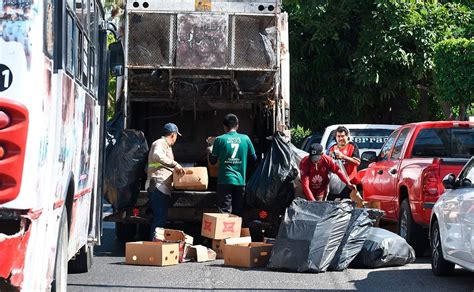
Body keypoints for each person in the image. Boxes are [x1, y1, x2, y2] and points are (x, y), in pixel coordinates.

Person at [208, 114, 257, 216]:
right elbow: (254, 159)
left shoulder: (219, 140)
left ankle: (225, 232)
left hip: (224, 181)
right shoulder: (246, 139)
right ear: (237, 126)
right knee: (238, 213)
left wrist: (210, 151)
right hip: (240, 181)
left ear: (224, 126)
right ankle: (237, 232)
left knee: (225, 213)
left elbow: (212, 161)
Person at [146, 123, 185, 239]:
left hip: (161, 186)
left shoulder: (166, 146)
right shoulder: (160, 143)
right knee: (159, 220)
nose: (176, 139)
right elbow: (157, 156)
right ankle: (155, 247)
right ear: (173, 135)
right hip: (158, 185)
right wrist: (175, 164)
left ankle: (155, 246)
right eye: (176, 136)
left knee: (160, 219)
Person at [328, 126, 361, 199]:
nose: (340, 139)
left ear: (347, 136)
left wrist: (343, 157)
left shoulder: (352, 146)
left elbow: (357, 162)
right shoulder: (333, 148)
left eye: (343, 136)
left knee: (348, 205)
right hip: (336, 183)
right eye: (338, 136)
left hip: (350, 182)